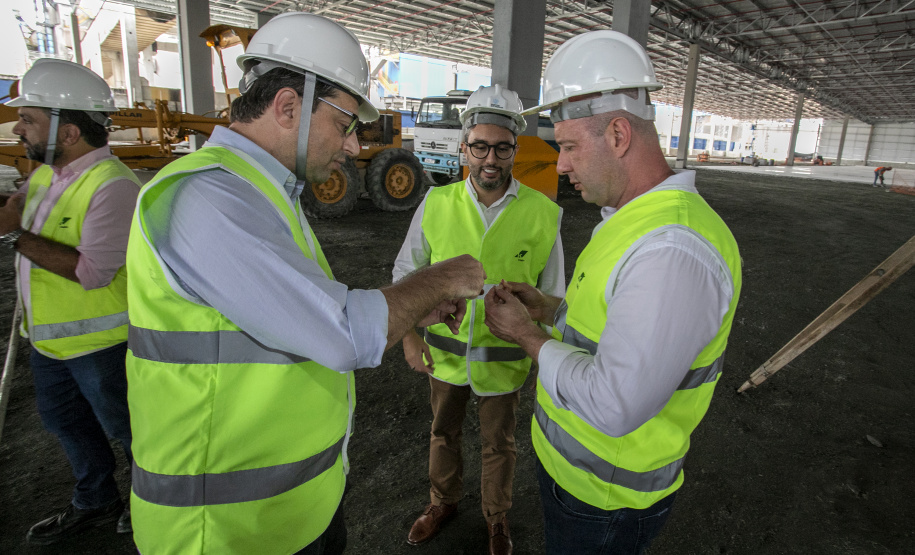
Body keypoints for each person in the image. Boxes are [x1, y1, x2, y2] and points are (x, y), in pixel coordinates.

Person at [124, 13, 484, 555]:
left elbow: (299, 316)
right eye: (343, 125)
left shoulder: (262, 194)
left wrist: (411, 310)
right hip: (222, 532)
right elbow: (339, 331)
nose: (355, 148)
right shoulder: (208, 199)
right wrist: (437, 279)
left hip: (286, 514)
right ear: (288, 106)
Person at [482, 30, 743, 554]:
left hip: (606, 502)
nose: (559, 164)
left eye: (571, 146)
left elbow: (615, 402)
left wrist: (528, 337)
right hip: (578, 480)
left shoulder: (672, 250)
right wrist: (553, 311)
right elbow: (613, 327)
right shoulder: (632, 222)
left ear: (619, 135)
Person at [394, 85, 564, 555]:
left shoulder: (545, 214)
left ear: (515, 149)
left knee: (500, 442)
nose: (491, 158)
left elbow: (555, 296)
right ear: (464, 147)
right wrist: (410, 336)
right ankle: (442, 502)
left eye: (502, 147)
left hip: (505, 363)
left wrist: (541, 355)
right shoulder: (436, 204)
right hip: (445, 359)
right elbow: (404, 275)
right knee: (443, 432)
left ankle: (496, 517)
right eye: (480, 146)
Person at [0, 58, 138, 544]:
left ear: (70, 130)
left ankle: (147, 506)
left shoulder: (113, 187)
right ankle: (96, 501)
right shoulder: (43, 177)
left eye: (30, 119)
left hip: (103, 346)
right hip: (49, 344)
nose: (18, 127)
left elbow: (92, 271)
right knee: (68, 426)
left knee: (130, 432)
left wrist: (13, 236)